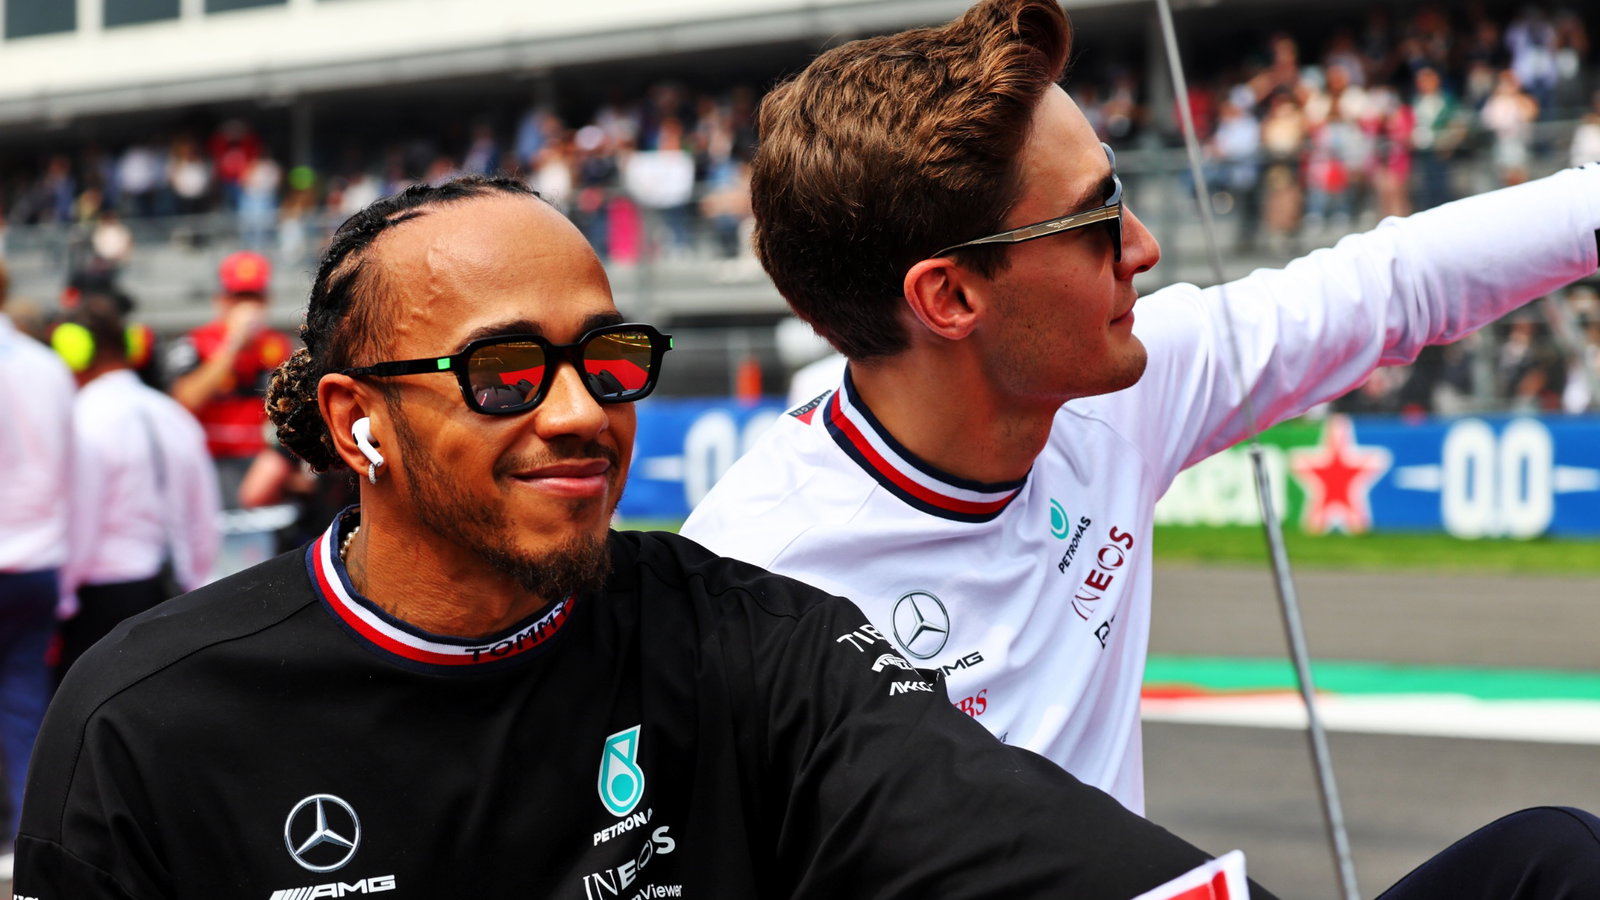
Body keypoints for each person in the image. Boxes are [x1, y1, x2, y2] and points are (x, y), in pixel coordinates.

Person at [13, 176, 1263, 899]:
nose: (577, 414)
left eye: (608, 362)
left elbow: (1026, 843)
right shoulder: (145, 721)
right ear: (360, 422)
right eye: (505, 371)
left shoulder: (752, 642)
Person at [680, 0, 1600, 820]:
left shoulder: (1121, 393)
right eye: (1098, 216)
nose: (1145, 249)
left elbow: (1390, 286)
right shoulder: (747, 590)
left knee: (1550, 856)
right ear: (951, 299)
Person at [51, 293, 221, 681]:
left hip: (100, 596)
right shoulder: (174, 416)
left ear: (74, 351)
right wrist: (196, 584)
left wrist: (60, 597)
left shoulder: (83, 418)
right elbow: (204, 518)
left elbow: (81, 519)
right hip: (174, 591)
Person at [0, 258, 75, 875]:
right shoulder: (48, 367)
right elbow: (71, 473)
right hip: (39, 562)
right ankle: (26, 838)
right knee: (25, 700)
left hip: (30, 552)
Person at [166, 249, 294, 507]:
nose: (247, 307)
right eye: (238, 298)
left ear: (266, 301)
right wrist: (232, 344)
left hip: (260, 467)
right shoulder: (194, 343)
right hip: (207, 462)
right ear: (221, 300)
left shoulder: (281, 348)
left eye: (254, 297)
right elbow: (185, 400)